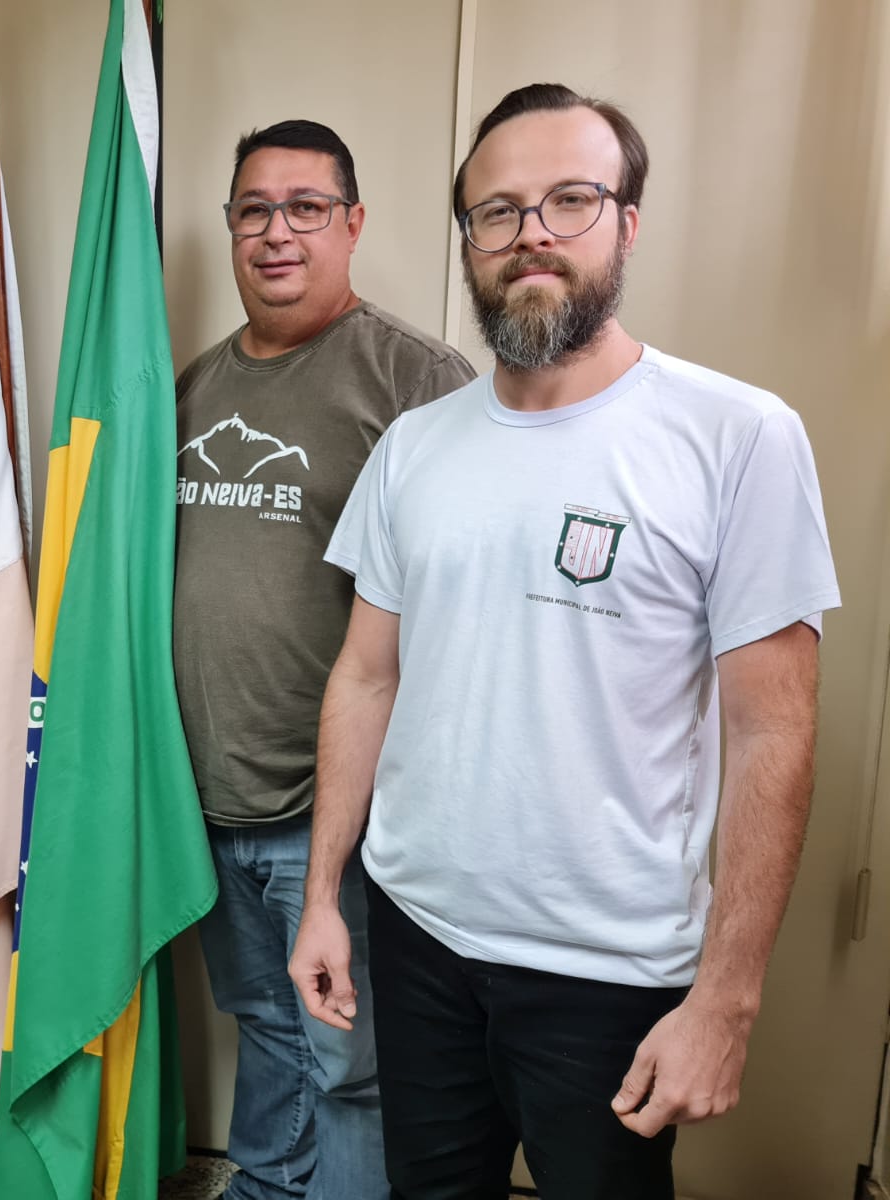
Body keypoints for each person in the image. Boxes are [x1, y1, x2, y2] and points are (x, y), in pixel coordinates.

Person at [291, 83, 840, 1199]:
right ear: (468, 243)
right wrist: (319, 897)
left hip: (609, 971)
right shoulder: (414, 447)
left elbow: (772, 731)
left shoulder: (736, 437)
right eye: (496, 211)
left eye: (569, 199)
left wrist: (725, 1002)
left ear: (626, 222)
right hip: (418, 933)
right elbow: (364, 677)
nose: (530, 230)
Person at [172, 120, 474, 1200]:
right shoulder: (191, 387)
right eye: (254, 209)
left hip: (332, 807)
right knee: (263, 1023)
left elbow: (460, 608)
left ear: (351, 225)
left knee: (347, 1064)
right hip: (205, 796)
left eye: (306, 208)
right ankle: (264, 1188)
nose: (276, 233)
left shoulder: (418, 381)